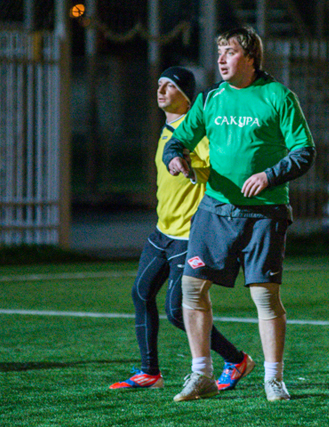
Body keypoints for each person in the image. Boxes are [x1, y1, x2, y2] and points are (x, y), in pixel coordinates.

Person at [163, 27, 316, 402]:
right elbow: (179, 139)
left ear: (250, 57)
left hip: (265, 214)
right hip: (215, 210)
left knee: (265, 297)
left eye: (229, 52)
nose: (220, 59)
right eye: (219, 52)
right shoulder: (211, 99)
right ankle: (202, 375)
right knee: (191, 289)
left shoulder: (278, 96)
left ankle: (273, 379)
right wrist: (175, 157)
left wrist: (269, 175)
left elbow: (304, 151)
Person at [109, 66, 254, 392]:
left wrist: (189, 166)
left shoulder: (195, 131)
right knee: (141, 294)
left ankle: (236, 360)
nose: (161, 90)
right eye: (159, 84)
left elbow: (219, 167)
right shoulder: (167, 130)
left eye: (170, 85)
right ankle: (150, 372)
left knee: (176, 311)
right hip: (163, 232)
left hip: (191, 236)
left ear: (187, 96)